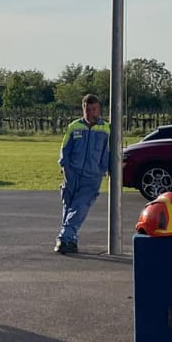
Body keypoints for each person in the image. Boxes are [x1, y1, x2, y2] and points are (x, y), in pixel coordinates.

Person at [56, 94, 112, 255]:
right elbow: (65, 148)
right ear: (83, 109)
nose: (90, 113)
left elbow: (108, 152)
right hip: (72, 173)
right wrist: (65, 166)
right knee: (69, 206)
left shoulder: (106, 129)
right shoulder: (74, 127)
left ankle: (63, 238)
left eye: (93, 109)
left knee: (79, 207)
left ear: (98, 109)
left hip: (92, 175)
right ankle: (71, 240)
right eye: (87, 109)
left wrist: (106, 169)